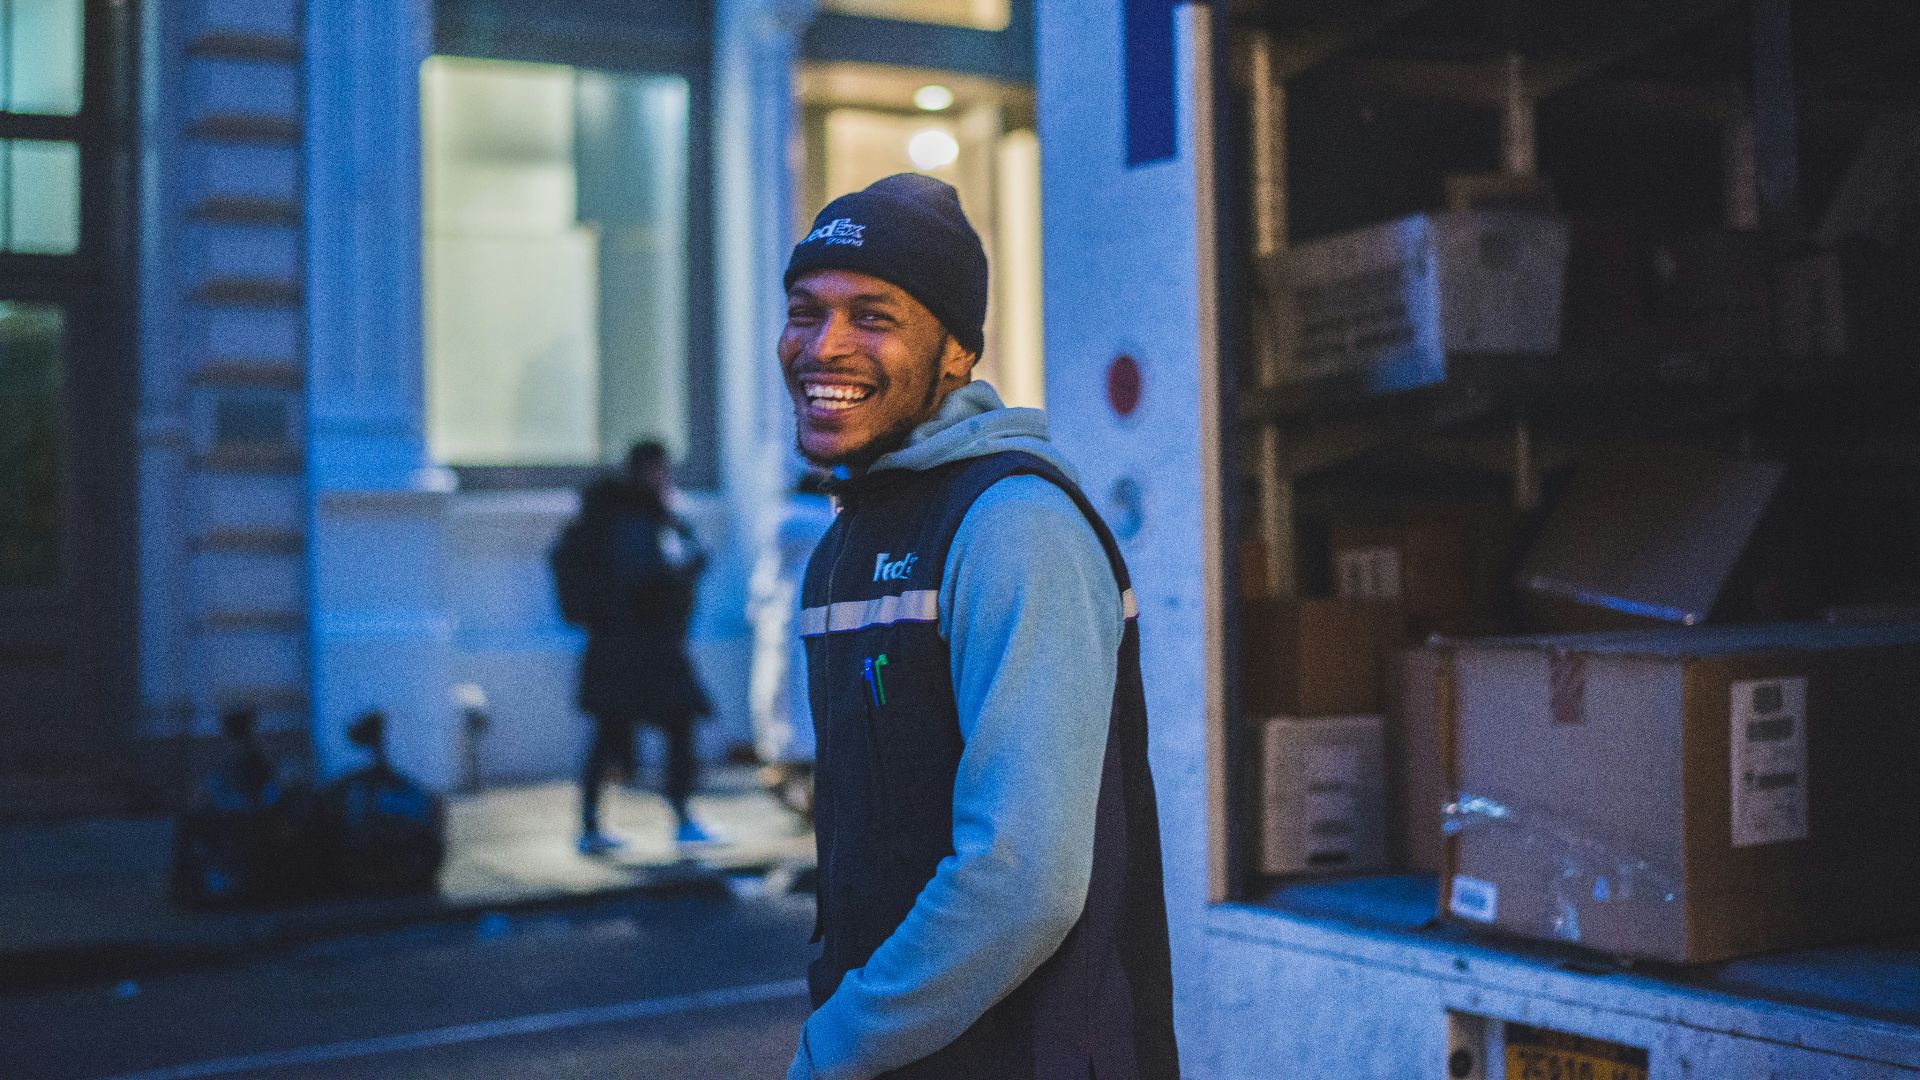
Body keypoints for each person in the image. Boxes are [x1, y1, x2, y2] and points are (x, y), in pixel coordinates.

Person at [781, 173, 1179, 1079]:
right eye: (807, 311)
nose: (823, 346)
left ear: (958, 352)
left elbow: (1023, 882)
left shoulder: (1012, 527)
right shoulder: (852, 538)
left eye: (873, 318)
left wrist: (836, 1042)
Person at [565, 440, 715, 853]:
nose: (666, 480)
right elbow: (646, 584)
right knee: (673, 724)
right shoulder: (637, 520)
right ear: (647, 471)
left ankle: (592, 827)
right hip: (641, 651)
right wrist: (686, 573)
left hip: (622, 650)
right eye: (662, 471)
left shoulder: (626, 517)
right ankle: (678, 818)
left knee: (613, 732)